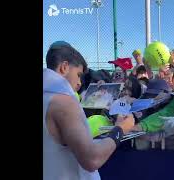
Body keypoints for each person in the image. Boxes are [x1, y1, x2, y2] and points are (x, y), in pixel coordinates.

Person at [43, 41, 135, 180]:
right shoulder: (64, 103)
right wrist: (120, 129)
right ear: (64, 67)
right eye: (79, 74)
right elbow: (92, 159)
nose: (80, 82)